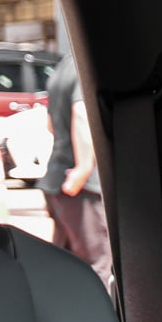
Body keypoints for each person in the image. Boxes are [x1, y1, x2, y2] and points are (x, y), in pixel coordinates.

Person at [40, 56, 112, 292]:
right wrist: (83, 167)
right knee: (97, 264)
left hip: (57, 178)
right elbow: (81, 114)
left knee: (64, 263)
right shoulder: (84, 64)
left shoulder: (63, 67)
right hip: (81, 185)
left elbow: (50, 124)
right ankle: (96, 316)